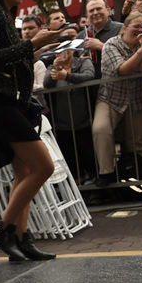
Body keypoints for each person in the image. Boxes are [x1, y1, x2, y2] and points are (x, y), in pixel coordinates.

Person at [0, 0, 62, 261]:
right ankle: (3, 230)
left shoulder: (7, 14)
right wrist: (32, 44)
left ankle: (21, 240)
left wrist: (45, 43)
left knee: (23, 171)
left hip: (9, 100)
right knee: (44, 167)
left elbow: (12, 58)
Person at [92, 12, 142, 186]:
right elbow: (123, 70)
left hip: (138, 98)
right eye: (136, 26)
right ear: (124, 28)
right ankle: (107, 173)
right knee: (101, 129)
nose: (139, 30)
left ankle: (140, 177)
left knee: (139, 141)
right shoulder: (112, 44)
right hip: (111, 98)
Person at [44, 48, 97, 184]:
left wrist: (67, 76)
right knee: (70, 158)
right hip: (62, 123)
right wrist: (56, 67)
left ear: (73, 50)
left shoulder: (83, 62)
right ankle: (80, 187)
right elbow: (47, 83)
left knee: (89, 155)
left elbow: (89, 75)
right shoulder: (52, 66)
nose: (62, 53)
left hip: (84, 119)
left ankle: (97, 186)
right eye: (59, 50)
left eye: (66, 49)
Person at [83, 0, 124, 75]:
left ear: (108, 10)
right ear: (87, 15)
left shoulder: (121, 29)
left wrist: (102, 46)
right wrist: (82, 61)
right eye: (91, 11)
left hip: (116, 82)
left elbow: (128, 56)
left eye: (98, 9)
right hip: (91, 84)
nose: (95, 12)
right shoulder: (81, 36)